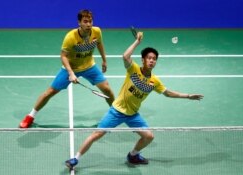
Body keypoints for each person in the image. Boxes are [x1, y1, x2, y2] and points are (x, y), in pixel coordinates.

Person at [65, 31, 204, 169]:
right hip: (116, 111)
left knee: (149, 136)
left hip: (132, 114)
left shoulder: (154, 81)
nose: (151, 61)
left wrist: (188, 96)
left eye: (154, 59)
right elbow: (125, 56)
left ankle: (133, 155)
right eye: (149, 58)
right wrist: (137, 41)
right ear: (143, 59)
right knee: (96, 135)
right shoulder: (134, 69)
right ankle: (75, 158)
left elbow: (167, 93)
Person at [19, 9, 115, 128]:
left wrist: (104, 60)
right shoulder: (70, 37)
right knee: (50, 92)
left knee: (107, 89)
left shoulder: (97, 31)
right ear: (79, 22)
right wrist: (71, 73)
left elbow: (99, 43)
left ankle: (115, 115)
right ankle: (30, 116)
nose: (89, 24)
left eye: (90, 21)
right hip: (71, 68)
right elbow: (63, 56)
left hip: (89, 66)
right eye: (85, 21)